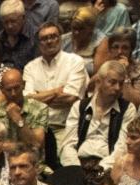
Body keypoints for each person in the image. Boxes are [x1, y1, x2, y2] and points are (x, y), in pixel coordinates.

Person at [28, 22, 93, 160]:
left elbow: (69, 98)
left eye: (53, 36)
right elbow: (27, 101)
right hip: (38, 127)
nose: (49, 41)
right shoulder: (30, 67)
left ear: (61, 38)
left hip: (67, 126)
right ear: (39, 43)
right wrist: (56, 92)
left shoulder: (75, 61)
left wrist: (39, 95)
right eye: (44, 38)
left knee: (63, 160)